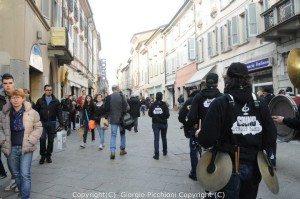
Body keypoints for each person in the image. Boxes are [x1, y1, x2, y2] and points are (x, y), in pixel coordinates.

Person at [198, 62, 277, 198]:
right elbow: (271, 137)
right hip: (254, 165)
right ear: (248, 79)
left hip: (226, 166)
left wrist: (199, 134)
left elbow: (206, 141)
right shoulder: (260, 103)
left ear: (227, 80)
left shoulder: (220, 103)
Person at [0, 88, 42, 199]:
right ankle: (22, 192)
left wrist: (31, 140)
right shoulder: (4, 113)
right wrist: (2, 140)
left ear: (23, 99)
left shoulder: (32, 113)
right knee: (16, 174)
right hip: (11, 148)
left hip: (26, 147)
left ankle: (24, 196)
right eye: (13, 97)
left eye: (18, 97)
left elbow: (38, 127)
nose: (15, 100)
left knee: (25, 174)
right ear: (10, 99)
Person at [186, 73, 222, 181]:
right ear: (217, 82)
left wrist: (190, 126)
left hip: (199, 128)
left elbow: (191, 116)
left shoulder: (199, 96)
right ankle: (216, 172)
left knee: (193, 150)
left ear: (205, 83)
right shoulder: (221, 97)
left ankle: (194, 173)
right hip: (217, 130)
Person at [35, 85, 63, 164]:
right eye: (47, 90)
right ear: (44, 90)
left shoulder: (56, 101)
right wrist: (36, 122)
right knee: (42, 139)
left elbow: (59, 113)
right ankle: (42, 156)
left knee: (51, 140)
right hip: (42, 123)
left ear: (52, 91)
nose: (49, 91)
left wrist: (62, 124)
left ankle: (48, 155)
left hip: (52, 123)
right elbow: (36, 112)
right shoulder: (40, 101)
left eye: (50, 90)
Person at [0, 73, 19, 193]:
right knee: (8, 157)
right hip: (3, 133)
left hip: (17, 132)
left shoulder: (19, 95)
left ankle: (17, 181)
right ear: (2, 84)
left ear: (13, 83)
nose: (8, 86)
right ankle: (14, 179)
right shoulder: (0, 98)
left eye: (10, 83)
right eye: (5, 83)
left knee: (15, 158)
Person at [105, 85, 129, 159]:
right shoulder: (122, 96)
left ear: (112, 90)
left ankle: (112, 151)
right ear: (118, 89)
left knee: (113, 135)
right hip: (121, 119)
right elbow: (127, 107)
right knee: (122, 134)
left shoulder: (109, 97)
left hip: (113, 118)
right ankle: (122, 150)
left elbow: (106, 108)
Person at [148, 92, 170, 160]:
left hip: (155, 124)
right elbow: (168, 115)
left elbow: (150, 114)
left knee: (156, 139)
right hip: (164, 124)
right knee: (164, 137)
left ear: (156, 97)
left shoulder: (153, 105)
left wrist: (155, 116)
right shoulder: (164, 105)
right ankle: (165, 151)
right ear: (161, 97)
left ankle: (156, 155)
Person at [262, 86, 276, 168]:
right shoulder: (276, 98)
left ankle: (271, 162)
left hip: (267, 124)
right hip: (276, 124)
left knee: (268, 145)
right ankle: (274, 162)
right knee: (273, 144)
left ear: (265, 92)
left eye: (263, 93)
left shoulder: (263, 101)